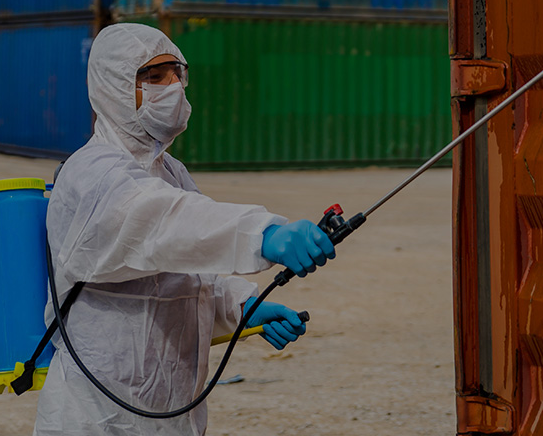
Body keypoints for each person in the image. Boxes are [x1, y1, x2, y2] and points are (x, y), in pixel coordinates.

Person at [35, 23, 334, 435]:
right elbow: (163, 223)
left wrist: (241, 307)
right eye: (154, 77)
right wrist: (262, 234)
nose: (173, 87)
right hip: (98, 416)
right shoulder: (91, 173)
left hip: (171, 414)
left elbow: (185, 277)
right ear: (115, 88)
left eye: (177, 73)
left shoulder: (170, 172)